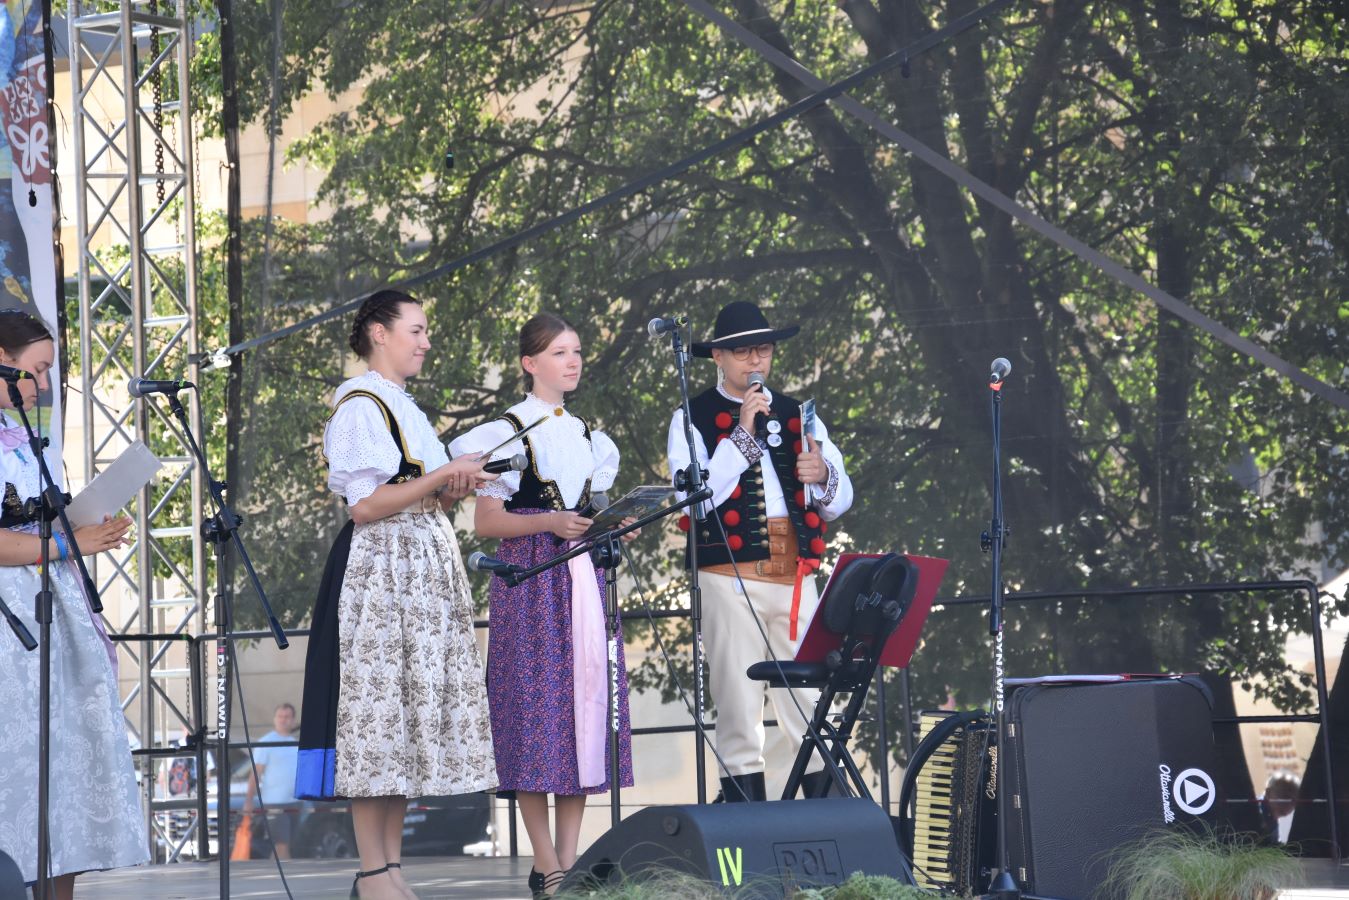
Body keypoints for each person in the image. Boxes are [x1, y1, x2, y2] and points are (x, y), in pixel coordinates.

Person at [294, 290, 498, 900]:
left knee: (405, 720)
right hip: (382, 570)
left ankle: (391, 869)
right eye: (417, 329)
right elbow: (364, 505)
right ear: (379, 333)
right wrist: (441, 474)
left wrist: (450, 486)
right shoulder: (361, 405)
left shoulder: (402, 406)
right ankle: (372, 870)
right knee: (377, 720)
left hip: (419, 568)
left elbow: (418, 492)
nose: (426, 342)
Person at [449, 313, 635, 899]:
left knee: (581, 713)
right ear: (530, 363)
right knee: (533, 717)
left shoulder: (589, 438)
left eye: (576, 350)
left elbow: (589, 513)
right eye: (559, 352)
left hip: (583, 581)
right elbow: (485, 522)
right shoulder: (504, 433)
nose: (572, 361)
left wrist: (610, 527)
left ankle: (569, 864)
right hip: (530, 583)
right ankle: (546, 861)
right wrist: (551, 522)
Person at [666, 301, 853, 803]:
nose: (755, 361)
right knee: (737, 700)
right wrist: (742, 436)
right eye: (743, 352)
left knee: (810, 698)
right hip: (727, 576)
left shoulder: (799, 414)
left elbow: (839, 502)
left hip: (795, 576)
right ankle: (745, 822)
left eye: (763, 350)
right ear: (718, 358)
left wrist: (824, 476)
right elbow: (694, 499)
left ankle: (826, 817)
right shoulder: (691, 416)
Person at [0, 309, 147, 896]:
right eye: (36, 371)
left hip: (53, 617)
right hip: (11, 625)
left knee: (63, 774)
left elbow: (39, 522)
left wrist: (86, 526)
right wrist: (68, 543)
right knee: (20, 770)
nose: (43, 385)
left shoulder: (26, 442)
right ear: (2, 362)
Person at [243, 703, 301, 859]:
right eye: (280, 716)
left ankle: (274, 871)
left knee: (285, 845)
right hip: (274, 803)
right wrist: (249, 800)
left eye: (287, 717)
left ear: (293, 720)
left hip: (294, 802)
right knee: (281, 844)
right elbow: (255, 773)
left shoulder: (295, 743)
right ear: (274, 719)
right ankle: (286, 873)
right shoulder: (266, 742)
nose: (283, 720)